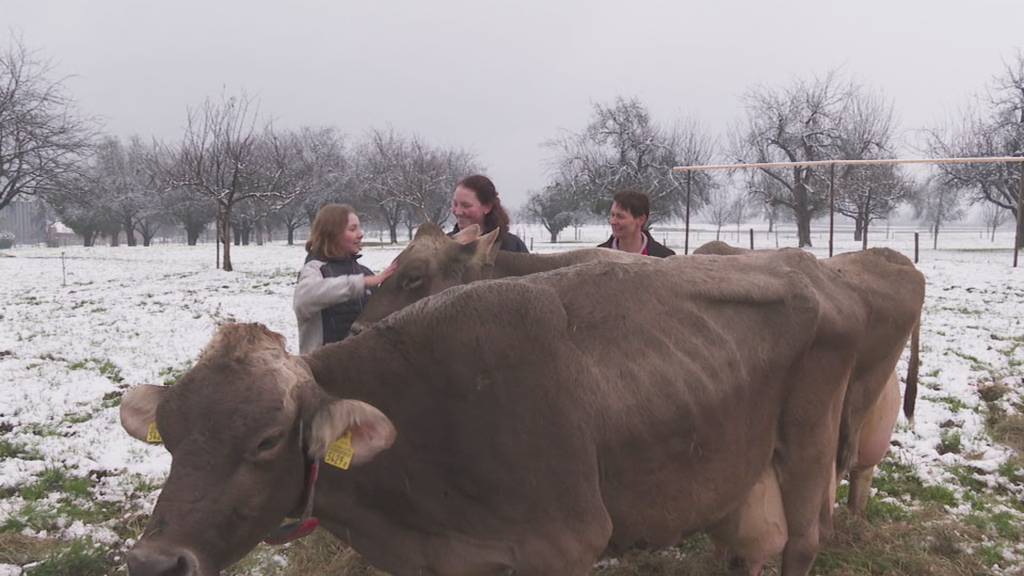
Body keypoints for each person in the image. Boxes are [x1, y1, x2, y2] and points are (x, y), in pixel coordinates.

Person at [294, 204, 395, 353]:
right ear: (331, 233)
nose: (360, 234)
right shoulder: (314, 270)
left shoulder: (365, 272)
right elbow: (304, 298)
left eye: (359, 228)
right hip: (322, 372)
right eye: (352, 229)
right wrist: (361, 283)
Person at [449, 174, 529, 253]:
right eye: (455, 204)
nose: (458, 211)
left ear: (487, 207)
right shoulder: (444, 246)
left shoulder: (514, 247)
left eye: (466, 205)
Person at [598, 190, 675, 257]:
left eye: (620, 216)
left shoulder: (664, 258)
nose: (612, 222)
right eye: (612, 215)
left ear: (641, 219)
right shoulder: (597, 257)